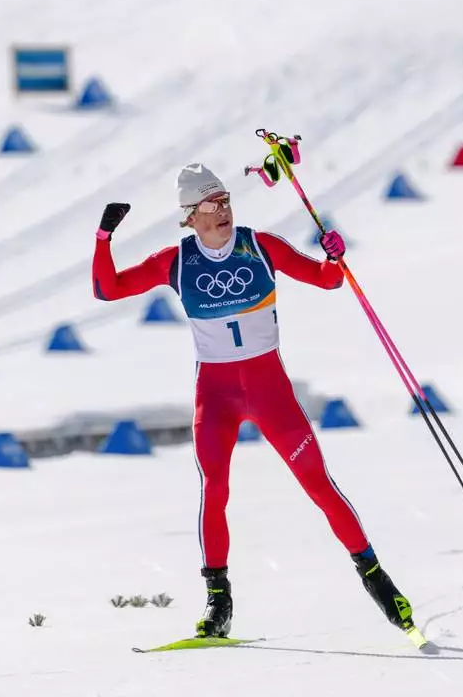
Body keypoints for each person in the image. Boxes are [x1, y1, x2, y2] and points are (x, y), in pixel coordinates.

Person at [91, 162, 415, 640]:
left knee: (318, 485)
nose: (222, 210)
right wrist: (103, 237)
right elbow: (107, 288)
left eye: (225, 200)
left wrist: (335, 255)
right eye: (210, 204)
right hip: (216, 395)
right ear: (190, 215)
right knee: (215, 491)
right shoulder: (175, 262)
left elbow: (327, 280)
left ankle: (378, 580)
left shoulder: (260, 246)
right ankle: (218, 601)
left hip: (270, 391)